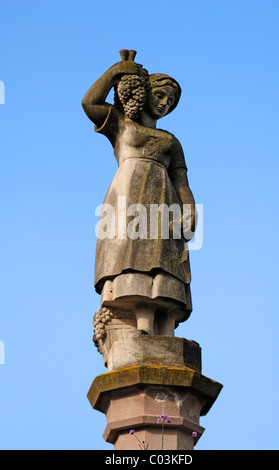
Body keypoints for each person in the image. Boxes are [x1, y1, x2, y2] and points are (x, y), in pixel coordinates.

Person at [82, 50, 196, 336]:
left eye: (171, 100)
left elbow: (181, 180)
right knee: (134, 259)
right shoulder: (121, 123)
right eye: (160, 95)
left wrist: (190, 210)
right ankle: (141, 324)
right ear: (145, 92)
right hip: (128, 200)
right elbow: (89, 102)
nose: (165, 103)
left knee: (165, 264)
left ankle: (167, 330)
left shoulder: (171, 141)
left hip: (164, 205)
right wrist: (116, 71)